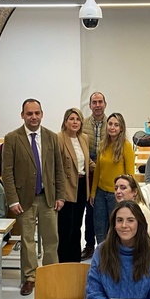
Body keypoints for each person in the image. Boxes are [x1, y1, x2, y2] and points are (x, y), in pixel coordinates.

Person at [2, 98, 65, 295]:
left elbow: (58, 168)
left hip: (48, 198)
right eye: (29, 114)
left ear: (42, 114)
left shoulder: (51, 137)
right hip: (24, 200)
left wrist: (60, 195)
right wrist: (12, 199)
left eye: (37, 113)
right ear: (22, 115)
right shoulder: (12, 138)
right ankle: (29, 277)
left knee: (51, 239)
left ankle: (50, 275)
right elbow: (7, 171)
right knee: (27, 240)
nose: (34, 117)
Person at [89, 112, 135, 244]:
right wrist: (93, 192)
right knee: (99, 228)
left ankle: (114, 257)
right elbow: (98, 170)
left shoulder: (126, 146)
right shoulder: (103, 144)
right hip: (100, 193)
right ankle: (101, 255)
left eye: (116, 125)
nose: (112, 127)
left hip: (117, 194)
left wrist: (128, 195)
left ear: (121, 128)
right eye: (110, 124)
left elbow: (130, 174)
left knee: (115, 228)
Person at [58, 107, 92, 263]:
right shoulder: (58, 138)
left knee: (78, 225)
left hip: (81, 186)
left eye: (78, 119)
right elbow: (55, 166)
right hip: (66, 187)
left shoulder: (83, 138)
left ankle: (75, 260)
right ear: (65, 121)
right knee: (66, 227)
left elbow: (87, 163)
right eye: (71, 119)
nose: (75, 122)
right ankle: (64, 262)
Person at [81, 92, 108, 261]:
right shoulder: (82, 125)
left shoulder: (113, 123)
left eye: (100, 102)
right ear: (90, 105)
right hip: (89, 173)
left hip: (107, 172)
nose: (97, 105)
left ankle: (107, 246)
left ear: (105, 104)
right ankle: (89, 245)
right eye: (94, 102)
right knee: (90, 211)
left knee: (107, 210)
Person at [114, 174, 150, 248]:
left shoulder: (140, 210)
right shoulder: (122, 209)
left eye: (123, 188)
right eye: (116, 188)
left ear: (134, 192)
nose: (118, 191)